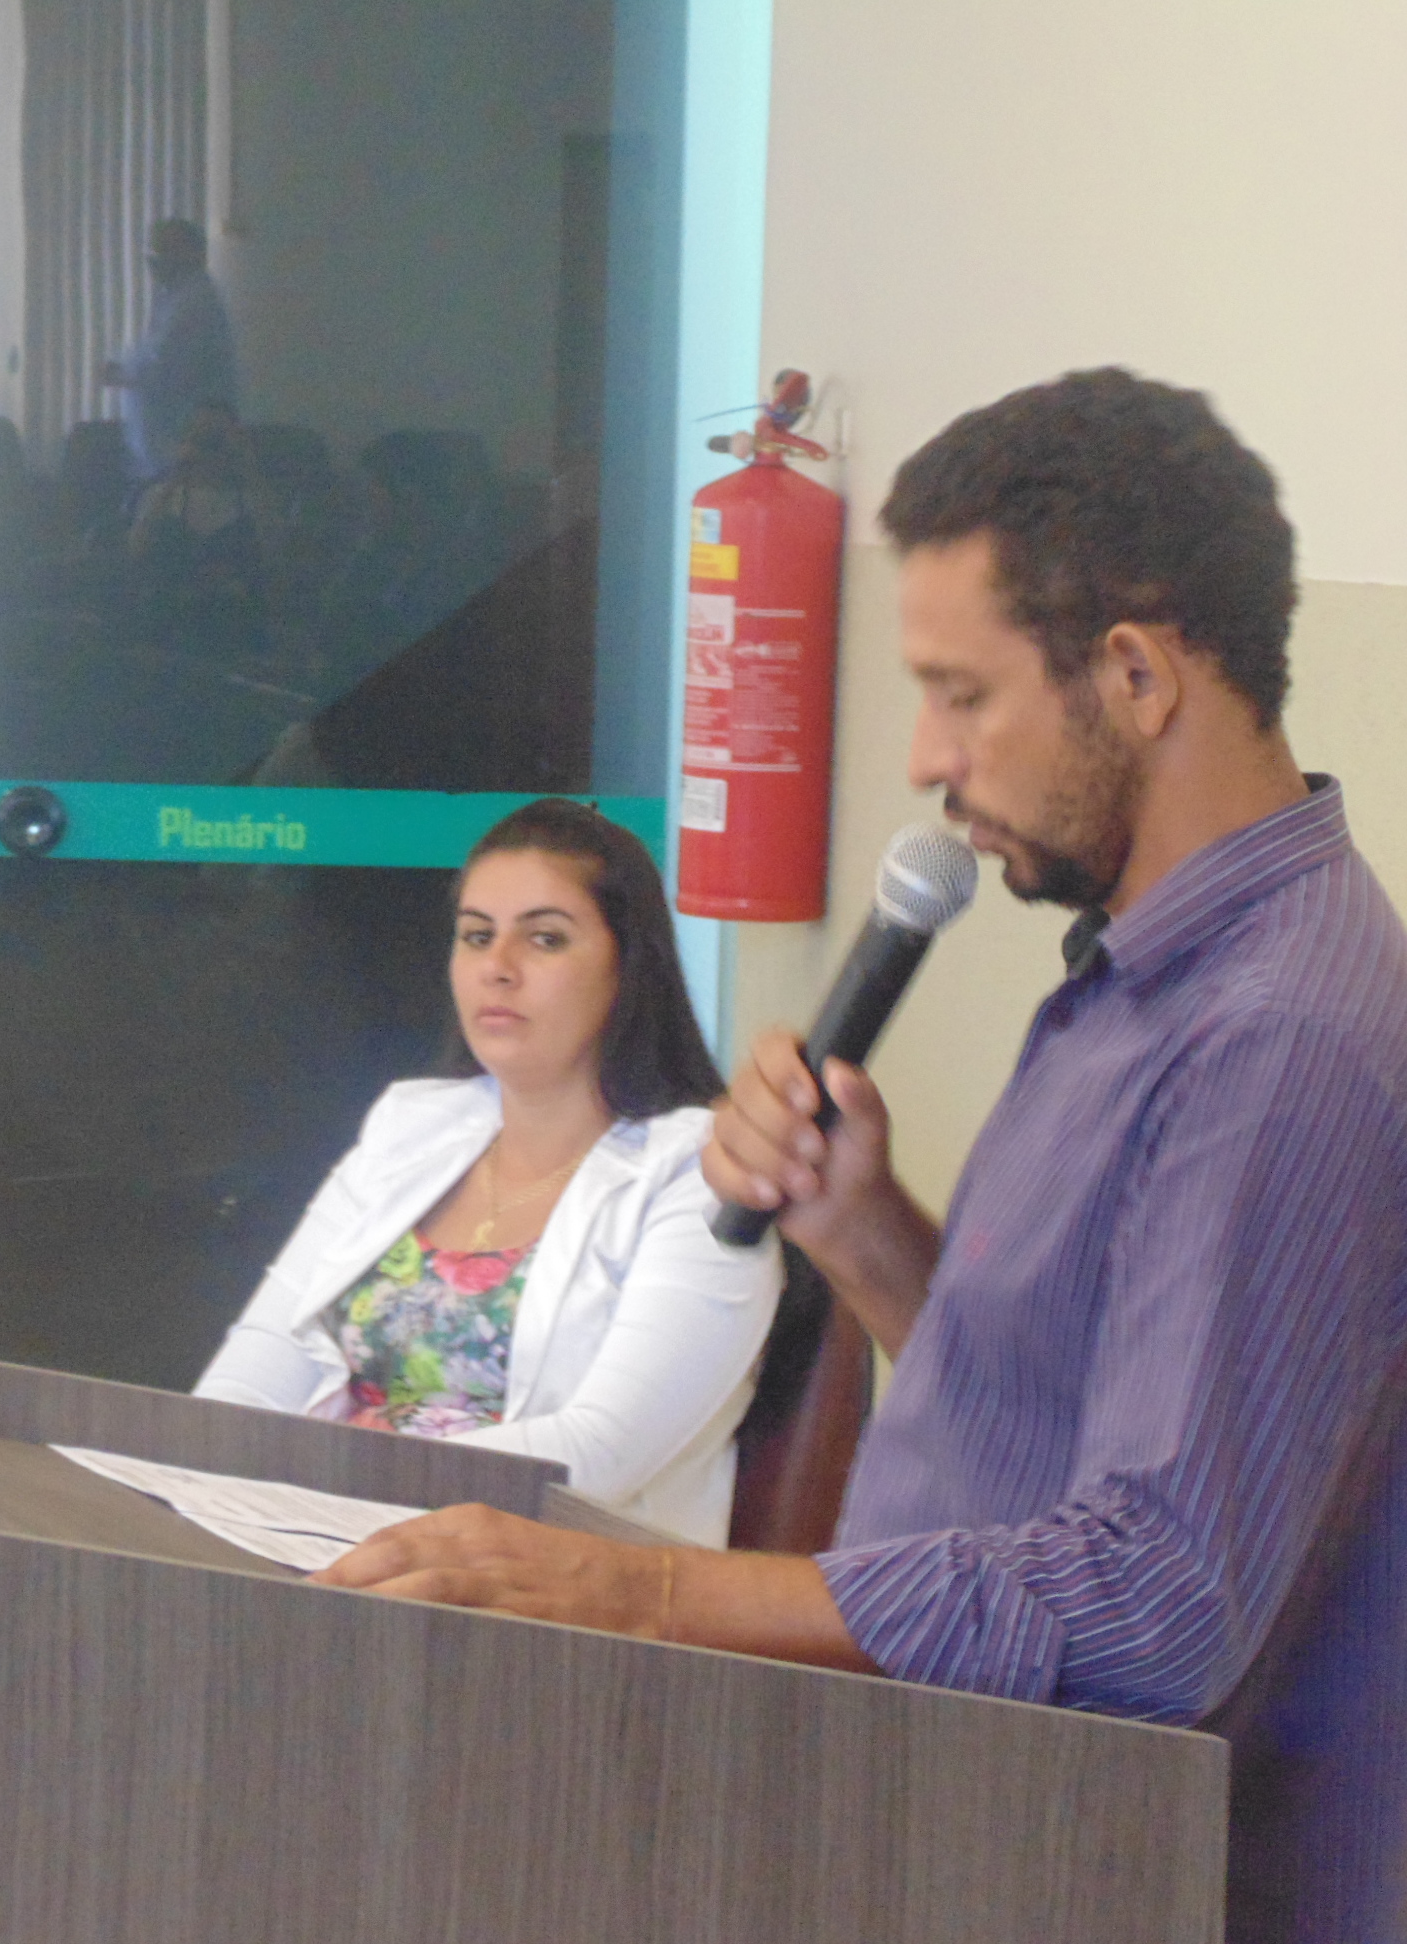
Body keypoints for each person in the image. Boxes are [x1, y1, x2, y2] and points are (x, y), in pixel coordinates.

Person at [316, 369, 1407, 1942]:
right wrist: (864, 1227)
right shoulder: (1140, 976)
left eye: (963, 695)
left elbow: (1149, 1598)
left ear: (1135, 674)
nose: (921, 758)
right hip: (963, 1826)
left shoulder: (1276, 1038)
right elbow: (1057, 1433)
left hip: (1128, 1880)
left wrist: (645, 1590)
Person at [195, 798, 781, 1545]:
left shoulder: (701, 1174)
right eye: (477, 936)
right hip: (316, 1541)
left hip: (537, 1585)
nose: (497, 968)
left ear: (629, 968)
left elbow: (594, 1458)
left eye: (545, 938)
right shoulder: (412, 1126)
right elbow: (248, 1381)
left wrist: (328, 1488)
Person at [100, 216, 240, 484]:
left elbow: (165, 370)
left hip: (186, 450)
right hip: (164, 451)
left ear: (191, 253)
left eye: (165, 250)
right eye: (153, 250)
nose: (153, 259)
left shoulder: (195, 304)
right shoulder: (174, 298)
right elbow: (154, 356)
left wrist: (120, 374)